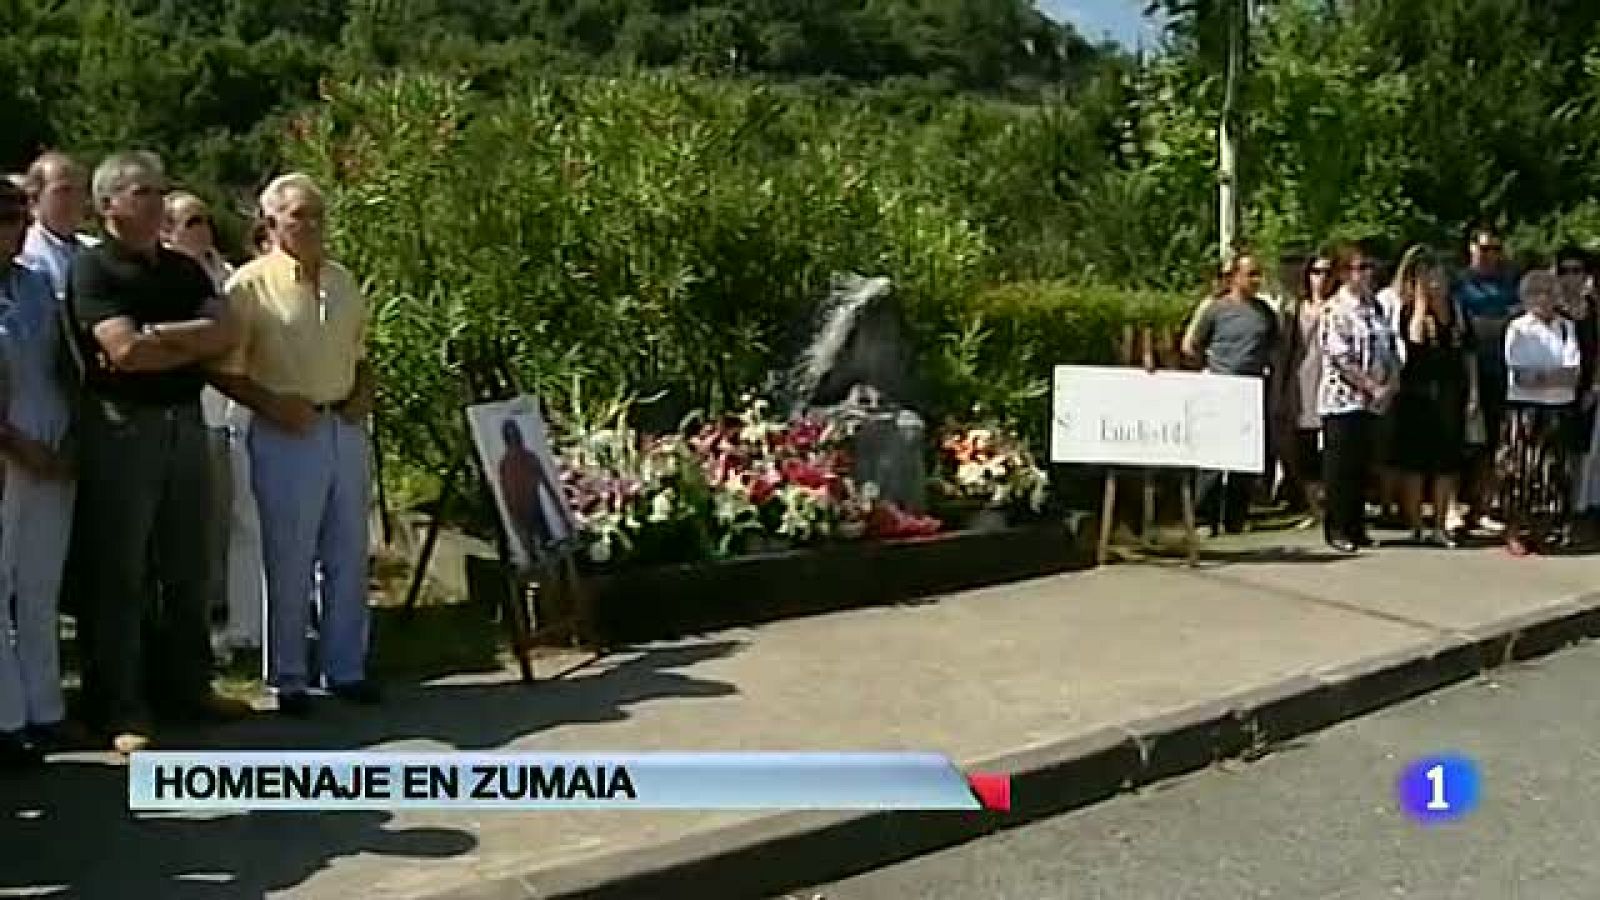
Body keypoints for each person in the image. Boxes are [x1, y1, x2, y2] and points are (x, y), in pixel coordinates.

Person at [67, 152, 250, 755]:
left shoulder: (182, 270)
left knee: (188, 562)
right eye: (142, 192)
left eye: (159, 191)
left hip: (183, 423)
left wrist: (159, 337)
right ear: (109, 204)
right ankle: (118, 704)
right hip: (123, 428)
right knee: (121, 571)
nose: (156, 201)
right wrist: (176, 341)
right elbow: (123, 353)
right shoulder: (92, 271)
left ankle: (189, 686)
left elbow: (227, 332)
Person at [214, 172, 378, 717]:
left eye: (316, 215)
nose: (308, 225)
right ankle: (287, 674)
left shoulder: (342, 280)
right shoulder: (249, 285)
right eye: (296, 215)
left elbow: (362, 350)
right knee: (289, 555)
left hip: (342, 425)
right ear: (272, 222)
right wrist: (271, 405)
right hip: (285, 430)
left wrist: (364, 394)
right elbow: (226, 370)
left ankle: (346, 667)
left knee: (349, 553)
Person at [162, 192, 264, 659]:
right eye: (189, 222)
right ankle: (199, 621)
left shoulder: (229, 276)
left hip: (234, 415)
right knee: (197, 524)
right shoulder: (164, 279)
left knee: (240, 520)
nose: (201, 229)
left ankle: (240, 618)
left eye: (205, 219)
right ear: (167, 229)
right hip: (193, 414)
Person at [0, 180, 76, 767]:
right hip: (7, 444)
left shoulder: (35, 285)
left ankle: (46, 710)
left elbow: (65, 362)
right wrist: (15, 443)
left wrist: (69, 435)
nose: (11, 226)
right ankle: (7, 718)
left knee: (40, 585)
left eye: (17, 214)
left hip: (51, 437)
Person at [1182, 251, 1281, 535]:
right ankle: (1204, 517)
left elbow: (1275, 351)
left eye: (1258, 275)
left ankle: (1235, 517)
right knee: (1213, 457)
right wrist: (1209, 368)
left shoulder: (1265, 313)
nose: (1255, 280)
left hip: (1252, 389)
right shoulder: (1214, 309)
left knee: (1245, 457)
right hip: (1219, 386)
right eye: (1250, 274)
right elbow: (1190, 344)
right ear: (1235, 277)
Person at [1386, 247, 1477, 546]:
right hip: (1417, 395)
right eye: (1427, 277)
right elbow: (1412, 341)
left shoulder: (1457, 310)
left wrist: (1473, 391)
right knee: (1414, 463)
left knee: (1445, 464)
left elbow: (1468, 354)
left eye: (1438, 276)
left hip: (1450, 392)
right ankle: (1416, 525)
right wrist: (1423, 304)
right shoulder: (1408, 310)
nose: (1435, 282)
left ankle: (1440, 524)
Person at [1319, 243, 1401, 554]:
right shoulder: (1335, 309)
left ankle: (1357, 525)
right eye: (1359, 268)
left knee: (1362, 465)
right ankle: (1337, 528)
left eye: (1369, 267)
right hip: (1342, 400)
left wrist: (1390, 383)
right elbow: (1341, 357)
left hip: (1373, 401)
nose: (1366, 274)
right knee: (1340, 468)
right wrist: (1369, 386)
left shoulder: (1374, 307)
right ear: (1343, 274)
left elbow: (1390, 348)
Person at [1499, 269, 1582, 556]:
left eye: (1548, 293)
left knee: (1554, 472)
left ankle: (1545, 528)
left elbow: (1572, 373)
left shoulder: (1566, 327)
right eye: (1537, 294)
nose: (1544, 300)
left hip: (1559, 408)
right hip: (1525, 408)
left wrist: (1547, 377)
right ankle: (1516, 530)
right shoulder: (1518, 328)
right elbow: (1522, 375)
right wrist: (1550, 376)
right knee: (1521, 470)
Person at [1454, 225, 1519, 537]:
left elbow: (1514, 321)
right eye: (1485, 249)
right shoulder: (1460, 284)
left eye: (1496, 249)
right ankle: (1453, 506)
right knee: (1460, 443)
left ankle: (1482, 506)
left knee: (1492, 443)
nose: (1491, 256)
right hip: (1464, 372)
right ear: (1471, 249)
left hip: (1499, 372)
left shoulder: (1509, 284)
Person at [1275, 251, 1338, 525]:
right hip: (1303, 382)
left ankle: (1334, 505)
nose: (1321, 279)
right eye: (1316, 272)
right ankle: (1315, 508)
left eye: (1326, 272)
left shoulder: (1341, 306)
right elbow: (1284, 352)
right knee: (1304, 448)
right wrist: (1279, 390)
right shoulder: (1295, 309)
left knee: (1334, 448)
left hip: (1334, 382)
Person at [498, 417, 576, 567]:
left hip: (536, 511)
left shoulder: (529, 458)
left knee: (550, 550)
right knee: (535, 556)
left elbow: (548, 486)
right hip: (521, 514)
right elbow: (506, 494)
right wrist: (513, 520)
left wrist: (564, 516)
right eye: (511, 436)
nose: (515, 439)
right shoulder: (505, 464)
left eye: (516, 434)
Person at [19, 152, 96, 299]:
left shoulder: (94, 247)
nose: (77, 199)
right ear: (34, 198)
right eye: (64, 191)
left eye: (81, 190)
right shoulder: (25, 253)